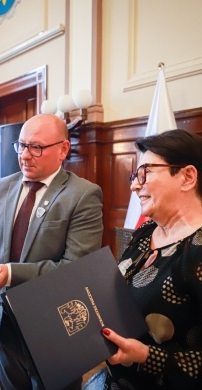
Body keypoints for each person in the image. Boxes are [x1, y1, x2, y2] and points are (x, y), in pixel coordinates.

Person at [0, 113, 103, 389]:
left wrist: (10, 273)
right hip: (3, 325)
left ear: (63, 149)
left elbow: (74, 269)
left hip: (53, 331)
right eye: (21, 145)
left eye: (36, 147)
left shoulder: (82, 195)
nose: (25, 155)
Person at [84, 129, 202, 390]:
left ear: (187, 177)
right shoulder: (145, 232)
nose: (134, 185)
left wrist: (149, 357)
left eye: (145, 172)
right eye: (134, 175)